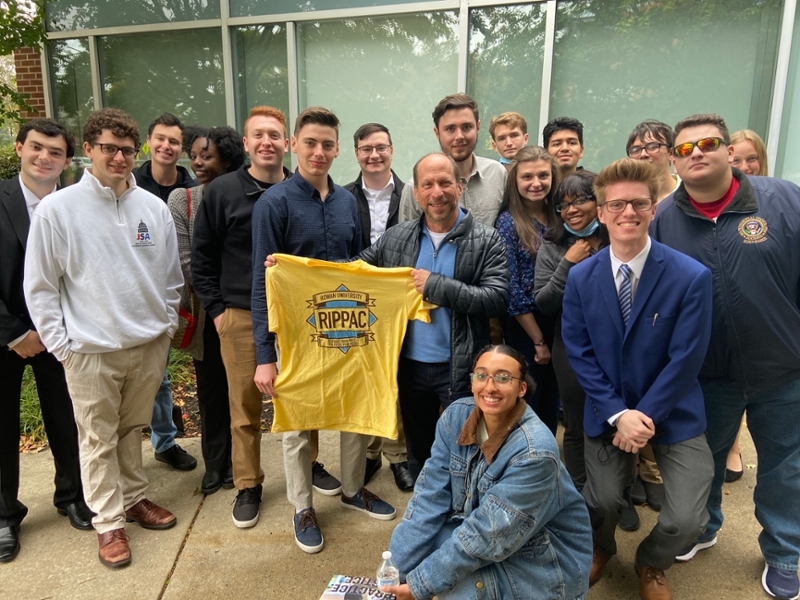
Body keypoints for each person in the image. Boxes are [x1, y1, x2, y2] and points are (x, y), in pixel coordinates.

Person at [23, 108, 183, 568]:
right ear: (89, 149)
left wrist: (167, 325)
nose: (119, 157)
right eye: (109, 148)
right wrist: (63, 348)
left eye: (127, 151)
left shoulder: (152, 208)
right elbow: (40, 286)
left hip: (148, 344)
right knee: (96, 438)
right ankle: (108, 522)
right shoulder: (58, 210)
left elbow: (172, 277)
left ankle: (133, 498)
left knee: (132, 429)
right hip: (90, 351)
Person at [651, 113, 800, 600]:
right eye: (686, 149)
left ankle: (784, 553)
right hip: (707, 375)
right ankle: (705, 526)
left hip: (782, 368)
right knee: (707, 460)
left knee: (785, 467)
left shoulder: (784, 201)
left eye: (708, 143)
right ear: (675, 160)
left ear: (727, 149)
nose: (697, 154)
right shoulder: (663, 221)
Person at [562, 158, 714, 600]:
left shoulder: (690, 277)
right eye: (618, 205)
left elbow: (687, 358)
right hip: (608, 411)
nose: (628, 213)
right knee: (603, 500)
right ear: (602, 211)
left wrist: (643, 415)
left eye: (639, 204)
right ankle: (600, 546)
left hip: (673, 409)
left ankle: (651, 560)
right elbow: (581, 354)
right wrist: (617, 414)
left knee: (687, 519)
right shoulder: (581, 278)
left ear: (653, 209)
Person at [252, 107, 396, 554]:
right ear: (295, 144)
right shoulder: (273, 203)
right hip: (296, 339)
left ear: (337, 150)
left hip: (349, 328)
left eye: (327, 144)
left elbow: (358, 269)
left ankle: (353, 490)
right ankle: (302, 507)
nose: (319, 152)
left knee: (353, 410)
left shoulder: (347, 201)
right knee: (296, 423)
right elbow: (262, 282)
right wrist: (264, 354)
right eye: (310, 142)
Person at [383, 345, 592, 600]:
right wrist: (395, 573)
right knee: (425, 553)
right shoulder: (455, 417)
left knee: (455, 588)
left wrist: (418, 587)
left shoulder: (536, 451)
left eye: (503, 378)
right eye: (481, 375)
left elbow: (486, 536)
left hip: (540, 560)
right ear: (472, 383)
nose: (490, 387)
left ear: (521, 388)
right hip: (487, 533)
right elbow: (428, 499)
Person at [357, 152, 509, 482]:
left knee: (466, 446)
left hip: (462, 365)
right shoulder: (396, 238)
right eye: (427, 184)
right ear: (416, 192)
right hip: (409, 366)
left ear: (459, 186)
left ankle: (464, 509)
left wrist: (436, 286)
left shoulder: (486, 240)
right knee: (419, 450)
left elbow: (497, 300)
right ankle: (426, 509)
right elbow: (355, 272)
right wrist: (294, 269)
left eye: (444, 183)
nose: (436, 192)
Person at [192, 106, 294, 529]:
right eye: (259, 135)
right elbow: (201, 258)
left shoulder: (300, 189)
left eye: (275, 134)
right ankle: (248, 482)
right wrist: (217, 311)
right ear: (247, 144)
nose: (268, 142)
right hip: (238, 313)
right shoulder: (221, 192)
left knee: (300, 400)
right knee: (244, 407)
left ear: (286, 143)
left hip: (294, 315)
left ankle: (308, 469)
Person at [0, 118, 94, 563]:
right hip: (6, 335)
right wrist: (16, 332)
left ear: (66, 160)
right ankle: (4, 515)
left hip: (62, 332)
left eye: (55, 153)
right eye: (37, 148)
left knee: (66, 417)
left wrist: (55, 329)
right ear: (20, 148)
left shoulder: (76, 206)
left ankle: (72, 497)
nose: (45, 158)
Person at [167, 126, 245, 494]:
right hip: (207, 313)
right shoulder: (182, 201)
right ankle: (216, 464)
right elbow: (187, 262)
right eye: (194, 155)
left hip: (244, 311)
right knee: (211, 390)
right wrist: (219, 301)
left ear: (227, 159)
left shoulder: (246, 194)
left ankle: (240, 464)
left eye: (207, 155)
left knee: (241, 392)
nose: (197, 162)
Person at [343, 122, 413, 492]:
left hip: (397, 298)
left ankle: (397, 455)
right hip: (353, 300)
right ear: (356, 153)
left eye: (381, 147)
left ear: (391, 149)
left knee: (394, 378)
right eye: (367, 148)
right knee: (363, 380)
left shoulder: (411, 194)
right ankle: (369, 453)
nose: (374, 154)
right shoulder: (341, 196)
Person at [533, 169, 607, 493]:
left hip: (617, 343)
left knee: (614, 418)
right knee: (575, 424)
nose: (572, 210)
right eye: (563, 205)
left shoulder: (616, 237)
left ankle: (615, 493)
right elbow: (544, 302)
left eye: (580, 200)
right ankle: (580, 494)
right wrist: (568, 262)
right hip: (571, 341)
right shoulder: (552, 244)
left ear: (598, 202)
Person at [133, 113, 199, 472]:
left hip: (177, 293)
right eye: (160, 139)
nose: (166, 147)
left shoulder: (190, 189)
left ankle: (164, 441)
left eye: (174, 142)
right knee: (150, 378)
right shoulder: (130, 184)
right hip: (137, 294)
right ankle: (141, 448)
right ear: (148, 141)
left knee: (162, 375)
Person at [495, 146, 560, 435]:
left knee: (554, 398)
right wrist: (538, 340)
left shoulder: (563, 215)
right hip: (528, 323)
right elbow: (512, 287)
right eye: (528, 177)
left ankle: (548, 457)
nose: (536, 183)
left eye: (543, 175)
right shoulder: (508, 223)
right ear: (515, 181)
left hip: (563, 319)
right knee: (531, 398)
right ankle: (528, 458)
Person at [721, 129, 769, 484]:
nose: (743, 166)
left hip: (770, 336)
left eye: (751, 159)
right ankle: (732, 445)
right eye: (737, 159)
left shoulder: (780, 203)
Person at [399, 93, 507, 227]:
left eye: (466, 127)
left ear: (478, 127)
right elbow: (406, 242)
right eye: (450, 129)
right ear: (437, 132)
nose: (459, 136)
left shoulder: (497, 174)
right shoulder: (415, 188)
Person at [626, 119, 680, 202]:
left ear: (671, 153)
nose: (643, 154)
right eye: (636, 150)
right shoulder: (626, 200)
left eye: (652, 147)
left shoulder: (691, 191)